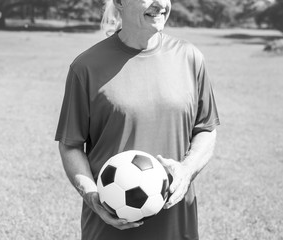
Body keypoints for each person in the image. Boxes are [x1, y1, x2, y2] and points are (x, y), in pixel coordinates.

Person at [55, 0, 220, 239]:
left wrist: (187, 169)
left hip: (177, 228)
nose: (161, 3)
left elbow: (206, 129)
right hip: (108, 230)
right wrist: (92, 195)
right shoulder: (86, 67)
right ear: (120, 2)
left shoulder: (190, 58)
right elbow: (70, 145)